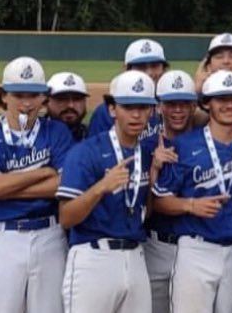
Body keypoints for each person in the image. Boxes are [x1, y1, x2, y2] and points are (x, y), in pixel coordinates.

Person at [0, 56, 73, 313]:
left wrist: (6, 185)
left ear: (44, 98)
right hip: (1, 240)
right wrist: (42, 172)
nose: (26, 103)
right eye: (18, 94)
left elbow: (65, 184)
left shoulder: (56, 131)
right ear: (4, 96)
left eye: (34, 95)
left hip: (50, 237)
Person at [154, 70, 232, 313]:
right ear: (207, 103)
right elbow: (159, 201)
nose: (229, 105)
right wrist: (190, 205)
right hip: (196, 248)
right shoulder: (184, 145)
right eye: (221, 99)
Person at [56, 70, 156, 313]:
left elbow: (143, 210)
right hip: (93, 257)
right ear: (112, 109)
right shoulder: (86, 152)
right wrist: (101, 187)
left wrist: (152, 181)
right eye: (128, 106)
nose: (136, 114)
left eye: (143, 107)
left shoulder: (146, 152)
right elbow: (66, 217)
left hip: (135, 257)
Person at [0, 71, 89, 190]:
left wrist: (4, 190)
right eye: (61, 99)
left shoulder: (93, 136)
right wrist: (45, 173)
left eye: (77, 99)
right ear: (46, 101)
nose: (70, 105)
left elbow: (72, 183)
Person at [142, 69, 199, 313]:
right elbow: (139, 209)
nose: (177, 111)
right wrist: (154, 169)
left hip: (196, 245)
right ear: (159, 107)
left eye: (184, 104)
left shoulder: (205, 144)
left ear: (193, 106)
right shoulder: (144, 147)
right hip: (156, 245)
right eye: (171, 104)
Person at [89, 39, 168, 138]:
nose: (149, 73)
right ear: (127, 70)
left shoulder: (174, 105)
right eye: (141, 67)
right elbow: (95, 149)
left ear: (164, 69)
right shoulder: (107, 110)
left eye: (154, 66)